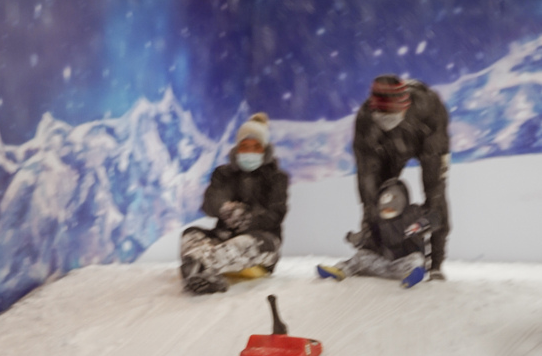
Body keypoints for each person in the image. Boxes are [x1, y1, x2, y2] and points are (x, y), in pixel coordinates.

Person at [353, 75, 450, 279]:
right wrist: (369, 221)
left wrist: (431, 220)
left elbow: (434, 186)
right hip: (387, 148)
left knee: (436, 193)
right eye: (382, 114)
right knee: (380, 196)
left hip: (426, 140)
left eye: (392, 114)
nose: (387, 119)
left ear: (404, 107)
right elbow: (366, 179)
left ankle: (436, 263)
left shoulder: (428, 108)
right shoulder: (365, 121)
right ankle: (378, 250)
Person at [179, 113, 289, 294]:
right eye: (245, 146)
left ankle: (197, 266)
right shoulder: (223, 174)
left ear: (265, 150)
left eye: (255, 147)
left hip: (262, 244)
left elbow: (276, 215)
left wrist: (247, 218)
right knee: (191, 234)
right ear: (237, 149)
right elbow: (209, 202)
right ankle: (201, 271)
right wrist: (226, 208)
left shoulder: (276, 178)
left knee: (252, 242)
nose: (249, 152)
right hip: (223, 238)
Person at [316, 177, 431, 288]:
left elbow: (433, 218)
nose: (389, 208)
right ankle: (340, 270)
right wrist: (360, 240)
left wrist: (421, 225)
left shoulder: (412, 213)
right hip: (382, 265)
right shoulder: (377, 221)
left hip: (402, 266)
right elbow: (371, 245)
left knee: (417, 259)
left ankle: (411, 276)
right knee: (362, 256)